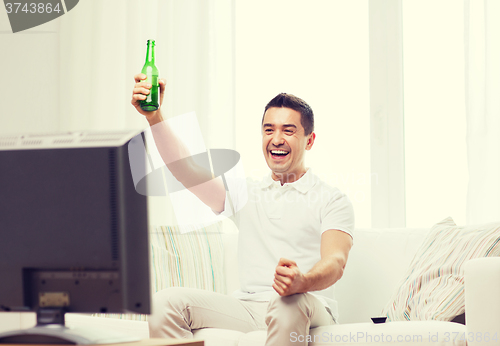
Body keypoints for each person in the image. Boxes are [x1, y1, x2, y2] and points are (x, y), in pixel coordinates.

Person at [131, 73, 355, 346]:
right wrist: (154, 117)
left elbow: (335, 263)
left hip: (307, 303)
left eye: (288, 130)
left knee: (287, 302)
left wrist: (303, 281)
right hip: (249, 307)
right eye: (269, 129)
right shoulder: (245, 192)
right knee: (164, 303)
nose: (276, 138)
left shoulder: (332, 199)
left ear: (309, 140)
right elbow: (185, 170)